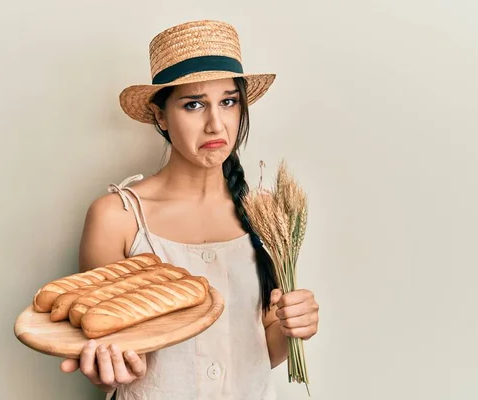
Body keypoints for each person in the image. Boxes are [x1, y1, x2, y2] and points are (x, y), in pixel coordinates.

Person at [59, 20, 320, 400]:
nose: (216, 124)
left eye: (228, 101)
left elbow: (262, 353)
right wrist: (106, 369)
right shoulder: (118, 217)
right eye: (194, 104)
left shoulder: (266, 215)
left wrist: (292, 326)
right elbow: (108, 352)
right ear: (161, 116)